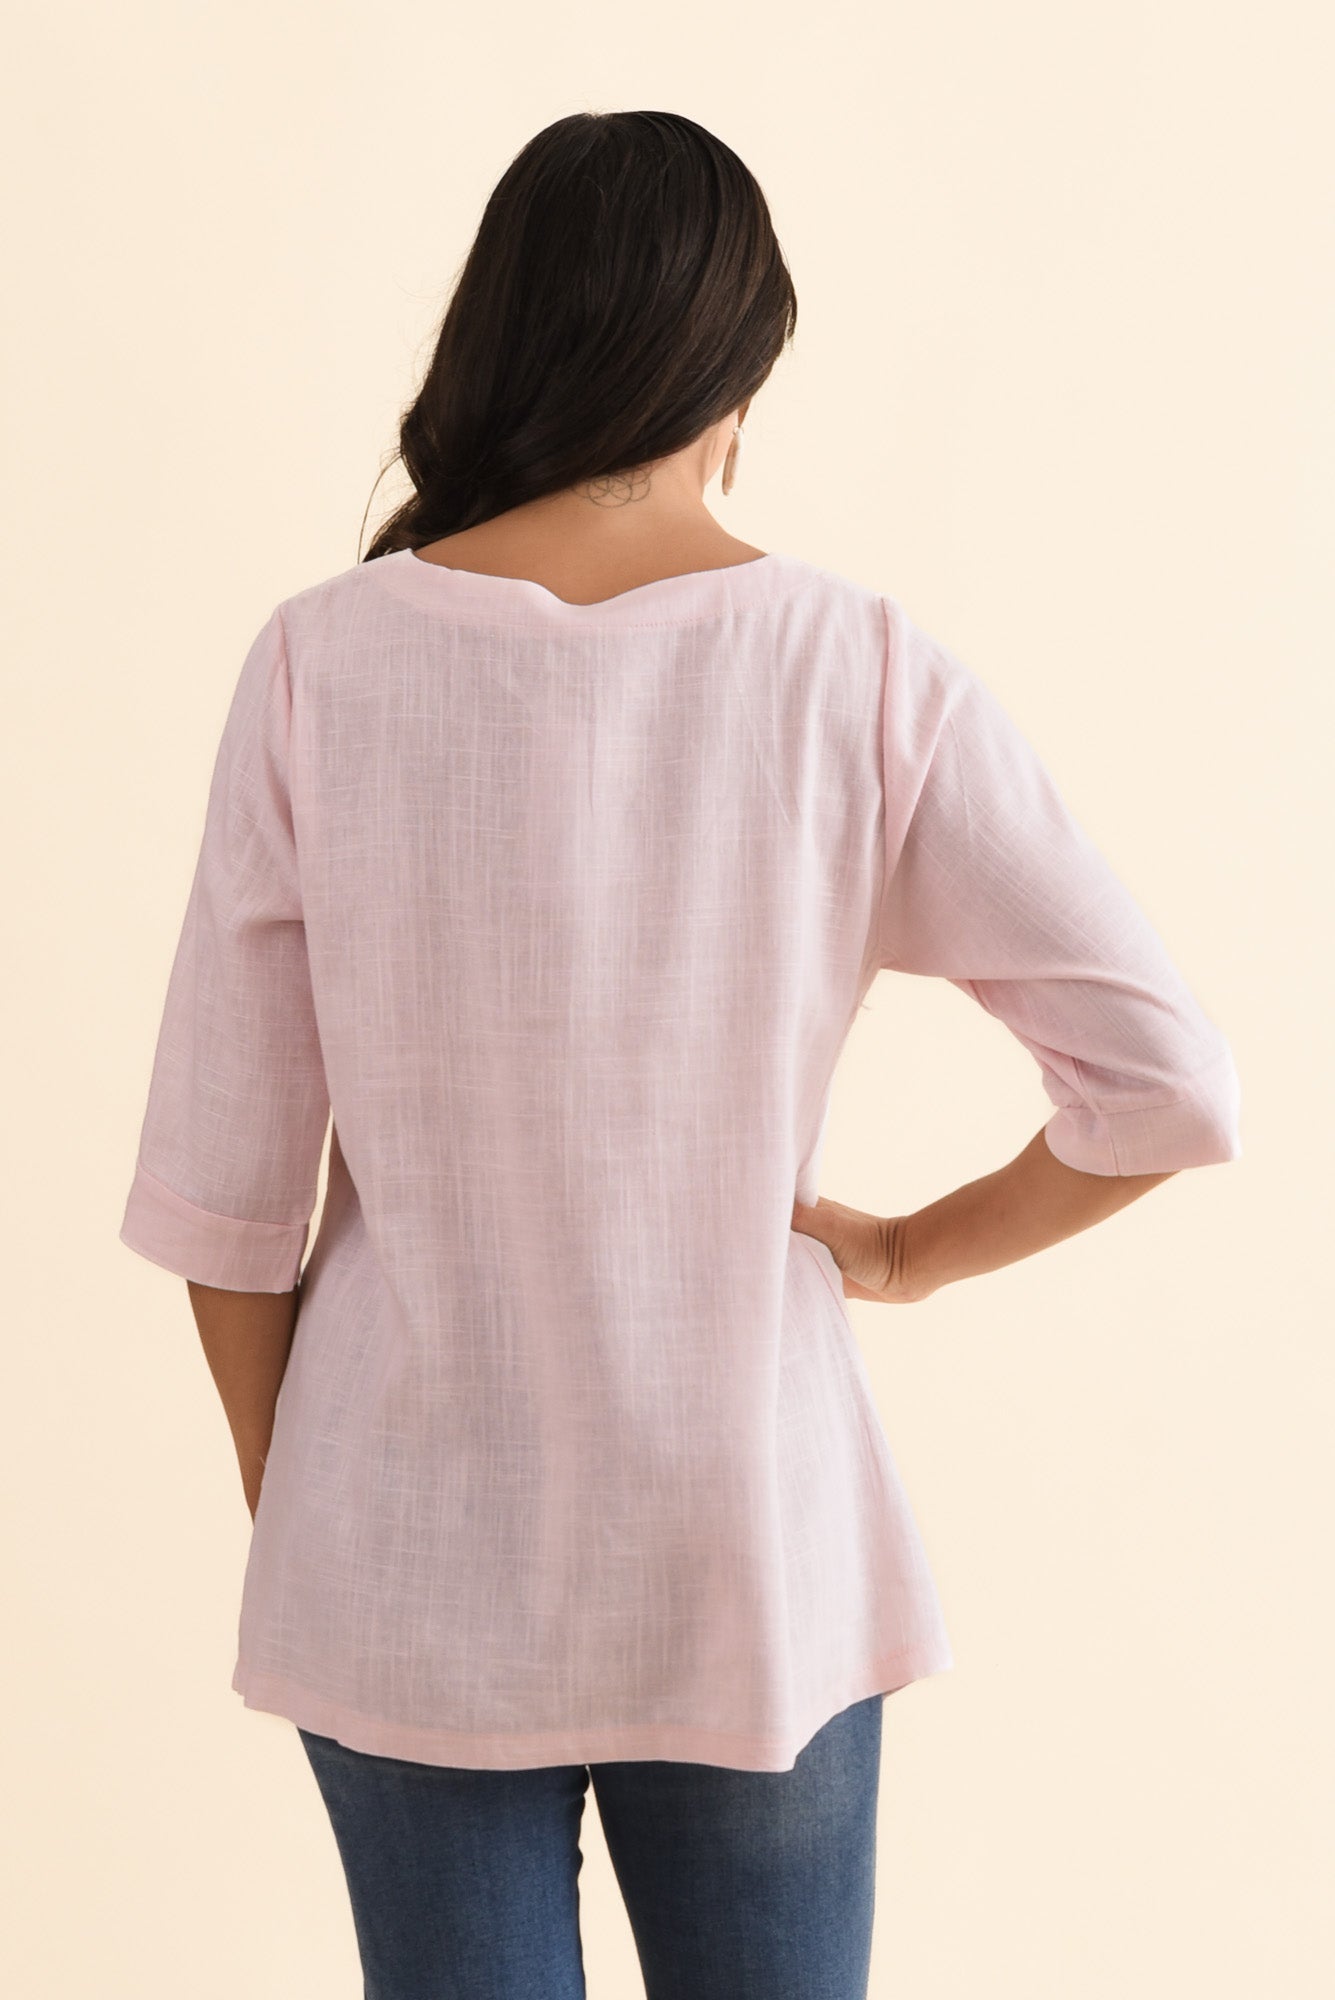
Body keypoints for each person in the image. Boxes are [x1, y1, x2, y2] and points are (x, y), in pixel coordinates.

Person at [118, 109, 1242, 2000]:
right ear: (735, 371)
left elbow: (227, 1201)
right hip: (752, 1552)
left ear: (497, 339)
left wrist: (309, 1502)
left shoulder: (321, 662)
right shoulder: (852, 668)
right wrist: (904, 1252)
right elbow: (1169, 1088)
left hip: (405, 1553)